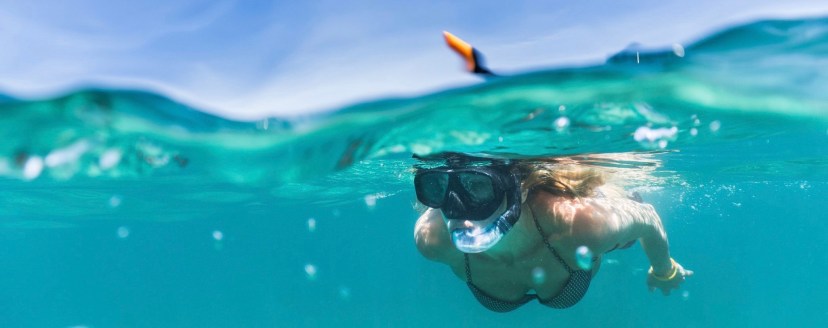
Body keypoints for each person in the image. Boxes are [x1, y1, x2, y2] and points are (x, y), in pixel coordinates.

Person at [413, 153, 692, 312]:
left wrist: (663, 270)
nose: (456, 208)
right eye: (436, 188)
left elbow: (649, 218)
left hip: (580, 216)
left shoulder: (580, 224)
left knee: (622, 236)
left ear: (520, 189)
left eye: (478, 187)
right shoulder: (432, 239)